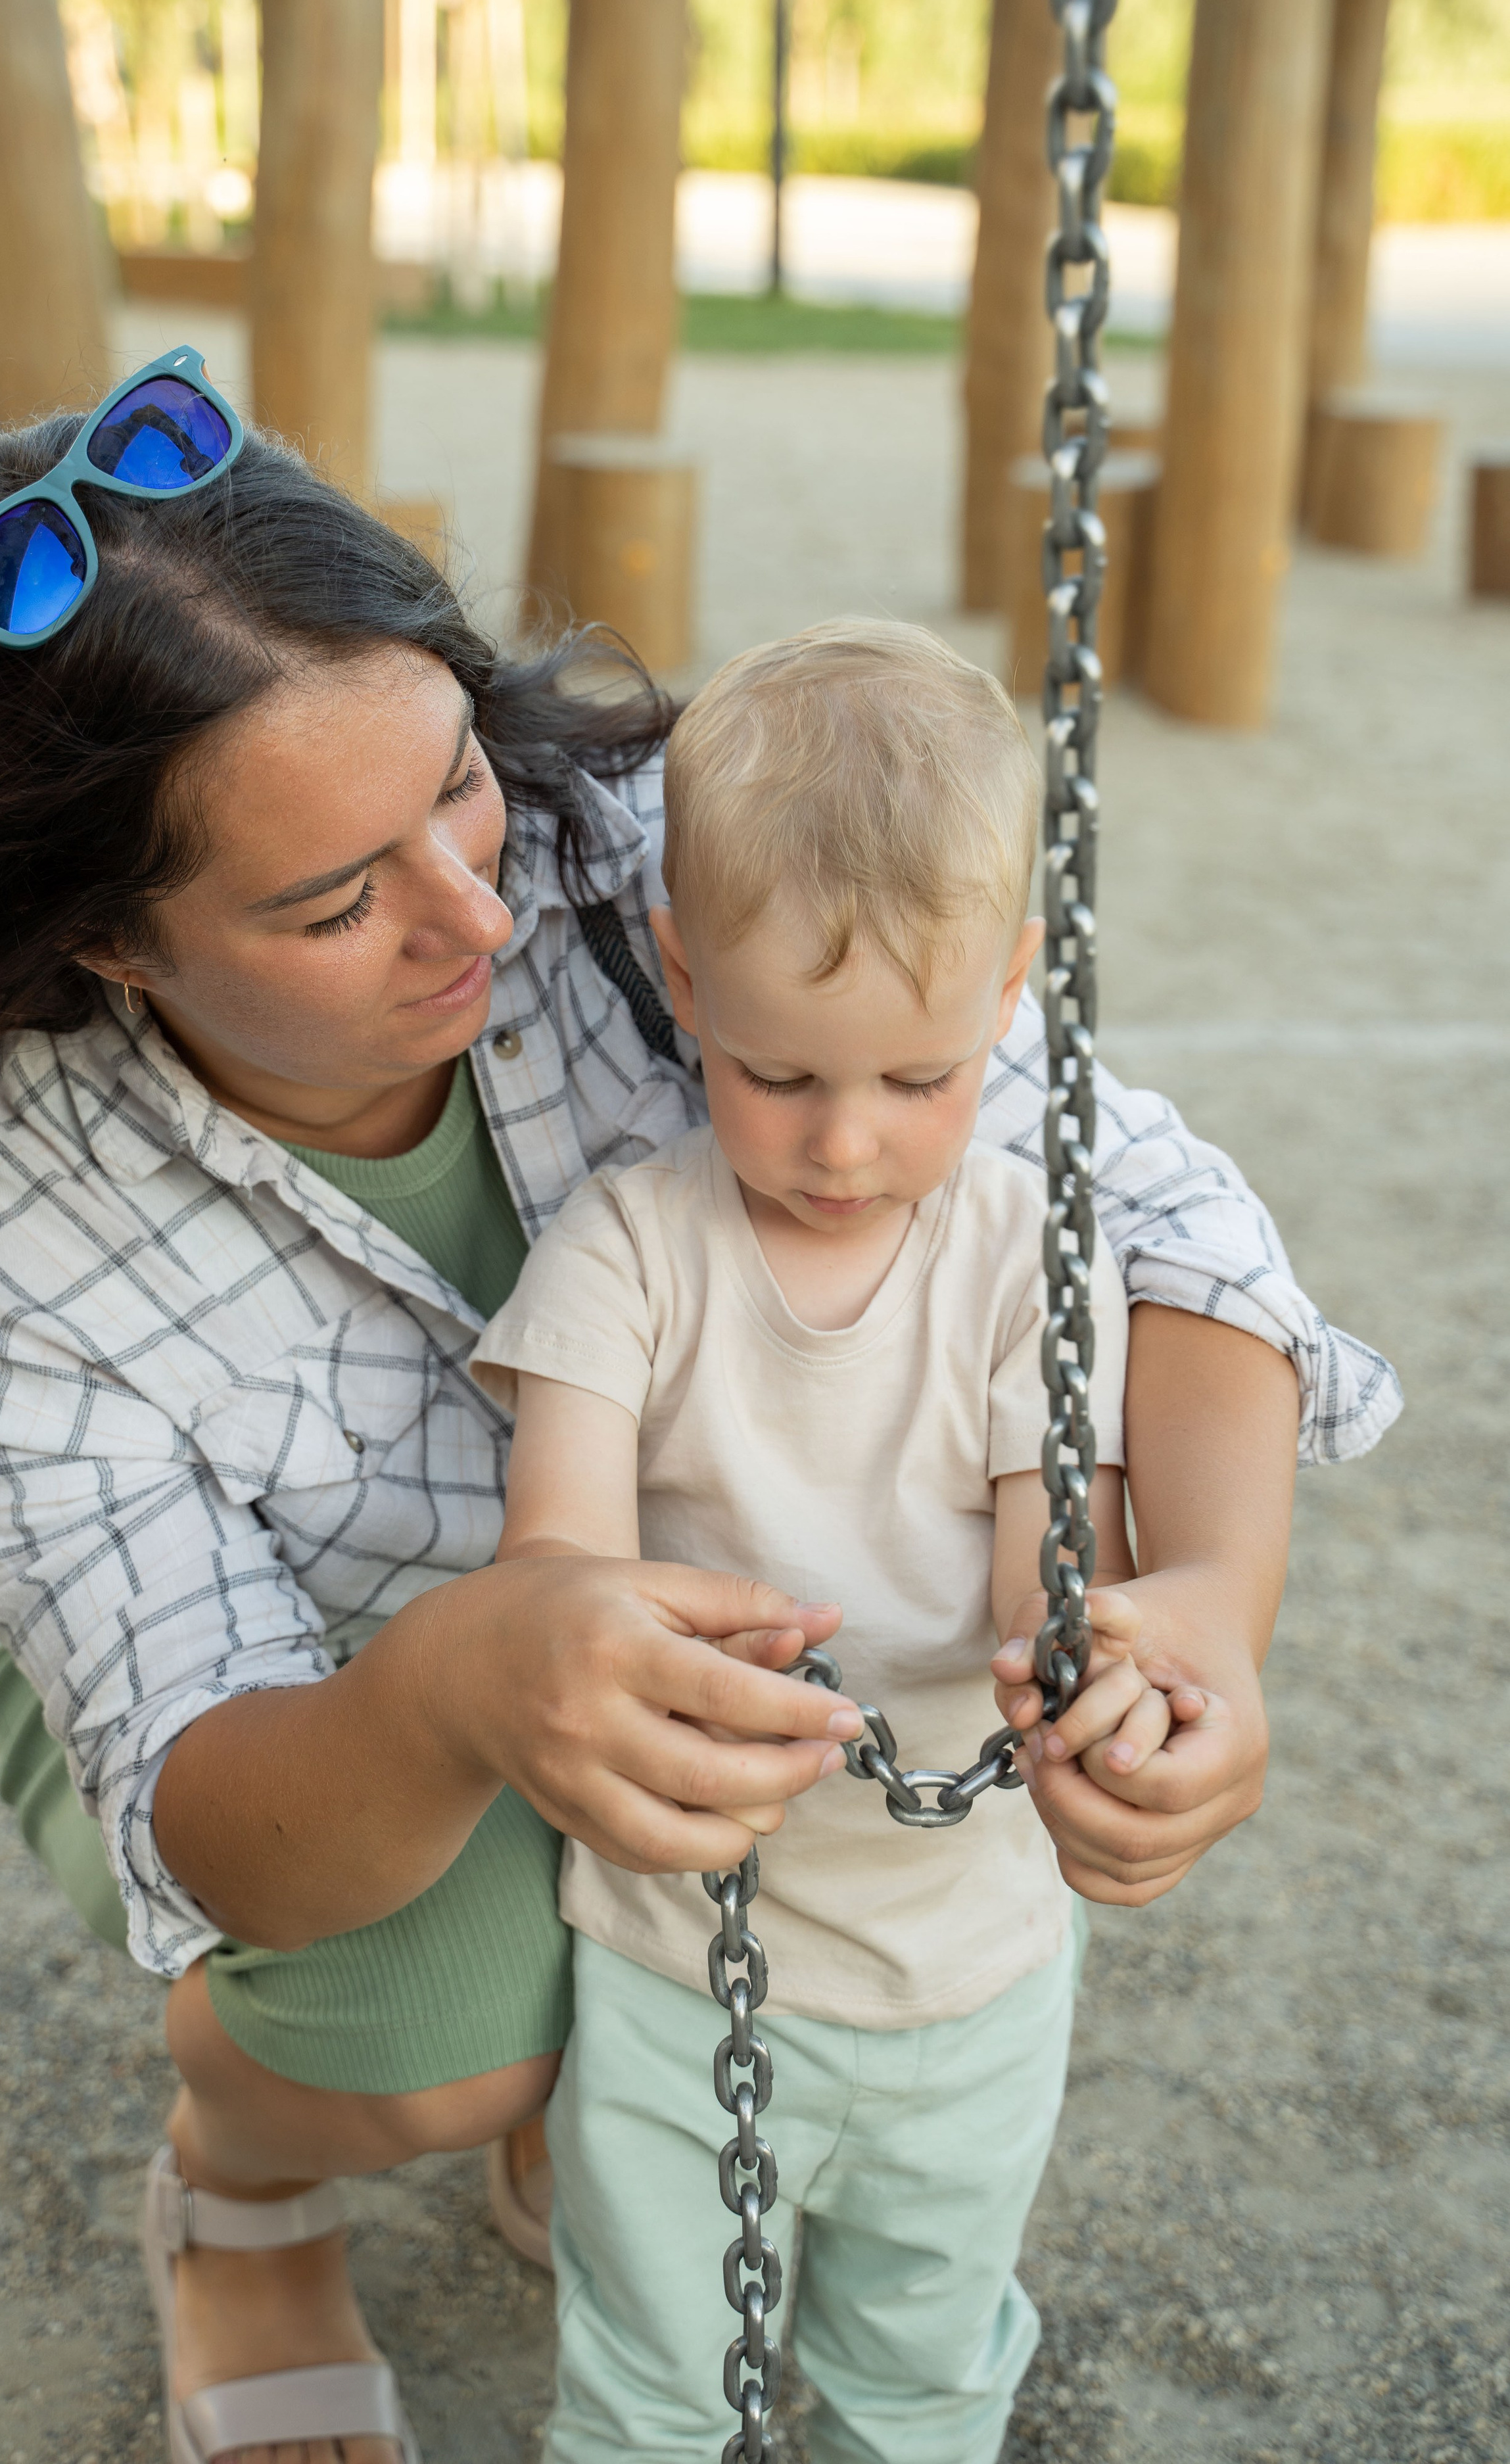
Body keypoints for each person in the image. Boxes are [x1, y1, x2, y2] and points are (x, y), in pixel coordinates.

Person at [0, 387, 1397, 2464]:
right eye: (338, 906)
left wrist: (1212, 1607)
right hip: (314, 1696)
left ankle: (607, 2086)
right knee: (450, 2030)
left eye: (460, 787)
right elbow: (195, 1773)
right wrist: (461, 1684)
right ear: (107, 943)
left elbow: (1139, 1207)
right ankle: (242, 2192)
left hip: (658, 1638)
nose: (475, 916)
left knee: (697, 1926)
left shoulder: (655, 847)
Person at [475, 622, 1215, 2462]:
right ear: (686, 981)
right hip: (677, 1954)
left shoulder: (1017, 1262)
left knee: (924, 2364)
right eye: (784, 1077)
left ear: (1015, 995)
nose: (847, 1147)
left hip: (965, 1960)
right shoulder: (629, 1251)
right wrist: (609, 1628)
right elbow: (552, 1563)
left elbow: (1064, 1563)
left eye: (915, 1080)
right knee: (648, 2380)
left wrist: (1093, 1684)